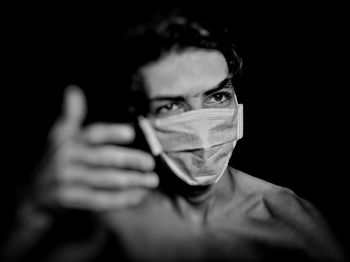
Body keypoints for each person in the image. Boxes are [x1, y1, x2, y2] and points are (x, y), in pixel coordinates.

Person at [1, 9, 346, 262]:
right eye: (171, 107)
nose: (200, 126)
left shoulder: (288, 221)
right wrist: (32, 211)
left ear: (237, 100)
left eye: (216, 97)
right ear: (143, 121)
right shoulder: (106, 220)